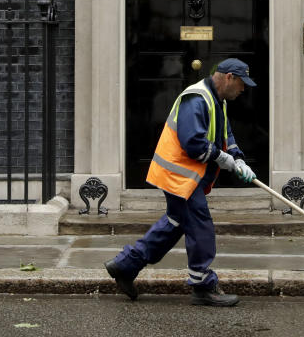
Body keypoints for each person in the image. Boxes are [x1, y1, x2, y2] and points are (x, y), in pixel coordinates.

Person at [105, 58, 258, 307]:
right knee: (200, 226)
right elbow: (193, 143)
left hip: (185, 177)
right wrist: (224, 160)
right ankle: (202, 285)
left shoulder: (218, 101)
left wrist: (239, 159)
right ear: (229, 77)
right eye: (242, 84)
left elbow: (226, 134)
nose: (244, 89)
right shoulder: (197, 99)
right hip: (179, 176)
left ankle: (125, 266)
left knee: (174, 224)